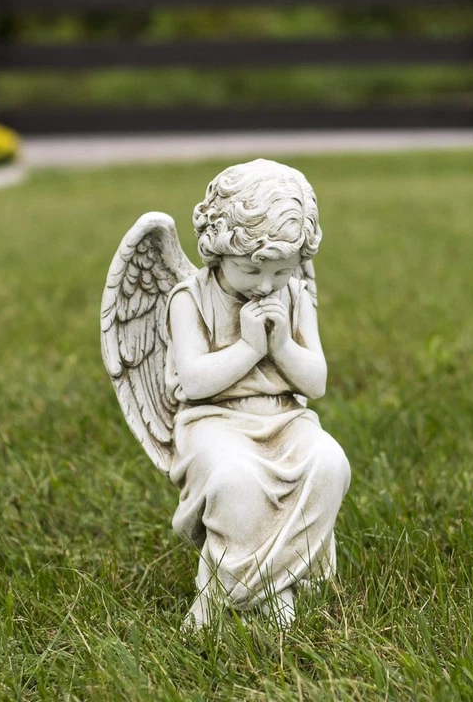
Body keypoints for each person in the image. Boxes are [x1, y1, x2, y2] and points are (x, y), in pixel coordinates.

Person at [165, 159, 351, 628]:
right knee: (235, 480)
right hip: (213, 422)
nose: (267, 286)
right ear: (218, 250)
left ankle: (283, 581)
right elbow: (193, 382)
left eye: (282, 272)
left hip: (285, 418)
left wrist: (283, 343)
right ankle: (242, 592)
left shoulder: (295, 295)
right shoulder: (189, 299)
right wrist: (250, 347)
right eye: (252, 271)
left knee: (330, 463)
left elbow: (316, 382)